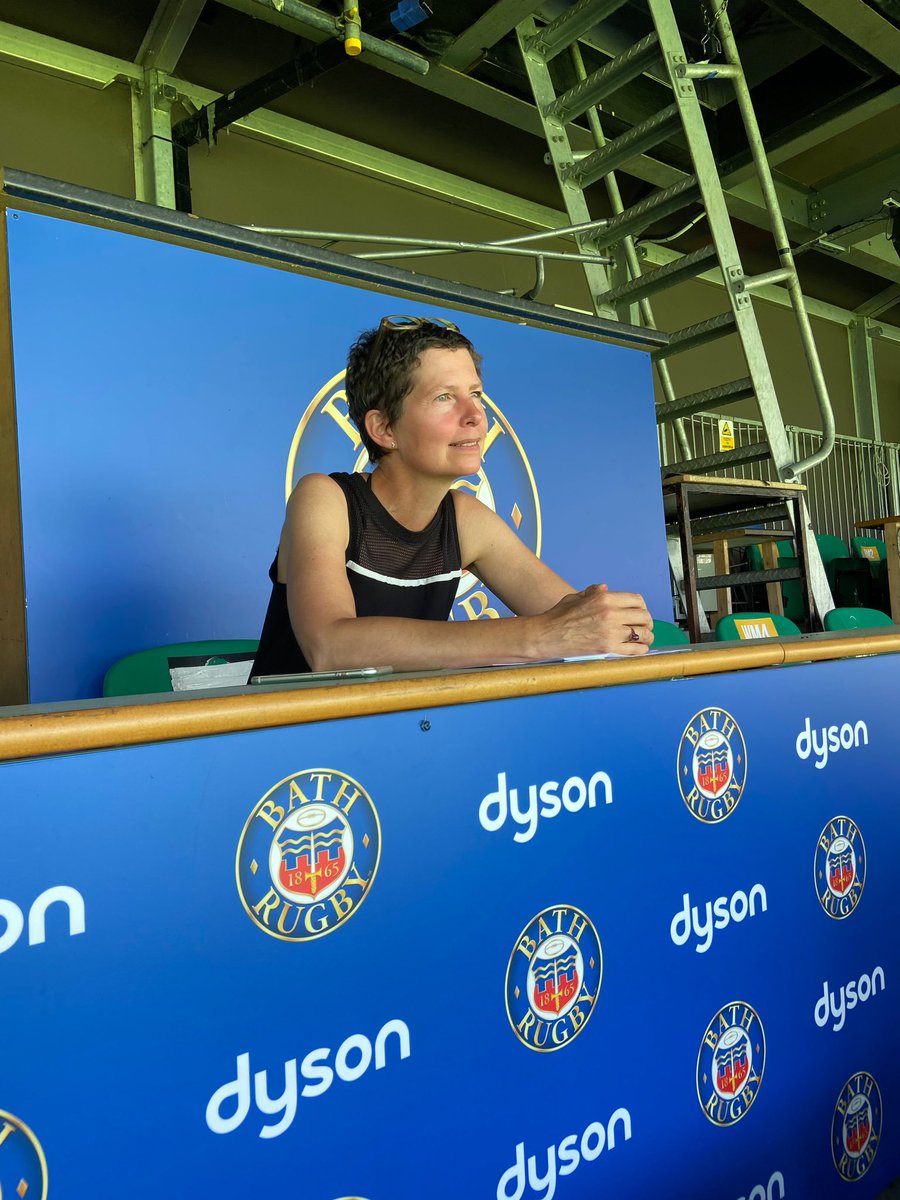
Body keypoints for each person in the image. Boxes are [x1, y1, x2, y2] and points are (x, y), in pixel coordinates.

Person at [251, 315, 653, 677]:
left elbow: (577, 620)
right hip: (285, 749)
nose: (476, 415)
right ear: (384, 429)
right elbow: (330, 647)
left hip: (398, 738)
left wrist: (612, 626)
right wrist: (538, 636)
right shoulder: (325, 498)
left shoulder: (466, 519)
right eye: (445, 397)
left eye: (475, 394)